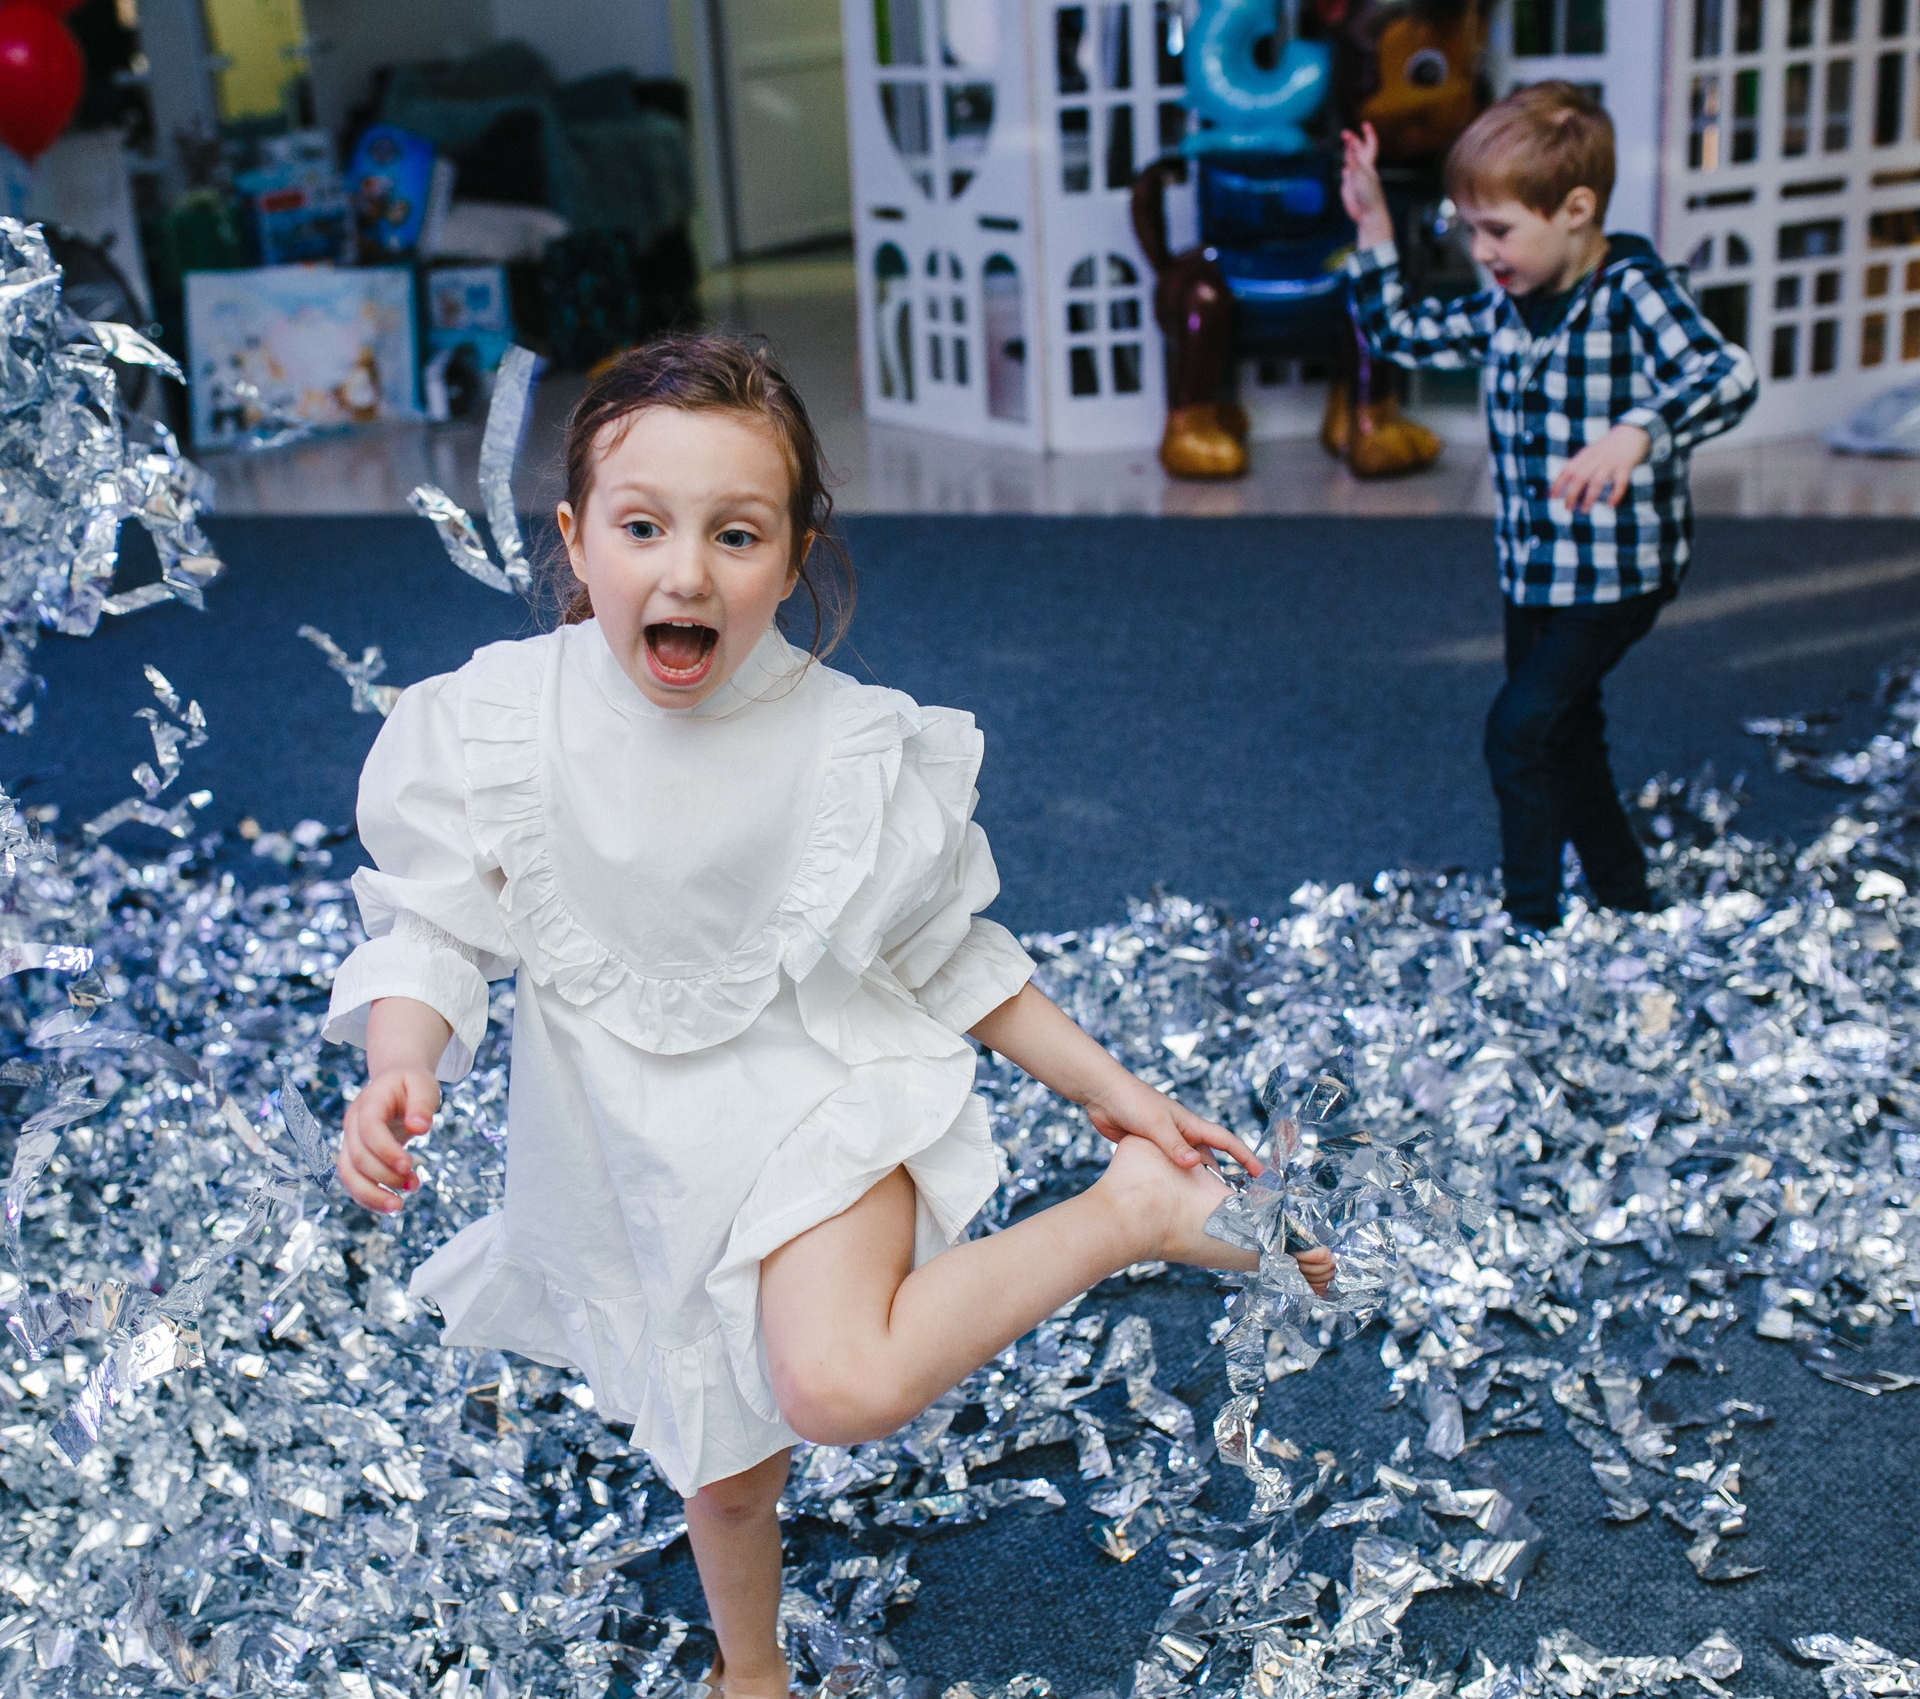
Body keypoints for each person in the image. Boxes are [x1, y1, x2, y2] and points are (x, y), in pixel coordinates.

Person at [326, 336, 1337, 1696]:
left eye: (735, 535)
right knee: (724, 1463)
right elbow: (434, 916)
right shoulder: (498, 721)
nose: (685, 572)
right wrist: (400, 1059)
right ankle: (753, 1670)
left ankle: (1130, 1210)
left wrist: (1111, 1086)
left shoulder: (843, 739)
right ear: (576, 541)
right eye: (643, 527)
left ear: (794, 558)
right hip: (631, 1144)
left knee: (835, 1384)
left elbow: (946, 951)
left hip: (813, 1098)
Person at [1340, 83, 1758, 932]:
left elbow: (1727, 375)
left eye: (1499, 230)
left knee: (1519, 733)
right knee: (1568, 738)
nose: (1481, 250)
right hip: (1533, 569)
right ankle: (1627, 896)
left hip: (1616, 573)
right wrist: (1374, 227)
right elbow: (1401, 333)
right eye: (1469, 228)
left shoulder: (1632, 289)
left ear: (1576, 209)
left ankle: (1531, 926)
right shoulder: (1506, 301)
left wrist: (1638, 433)